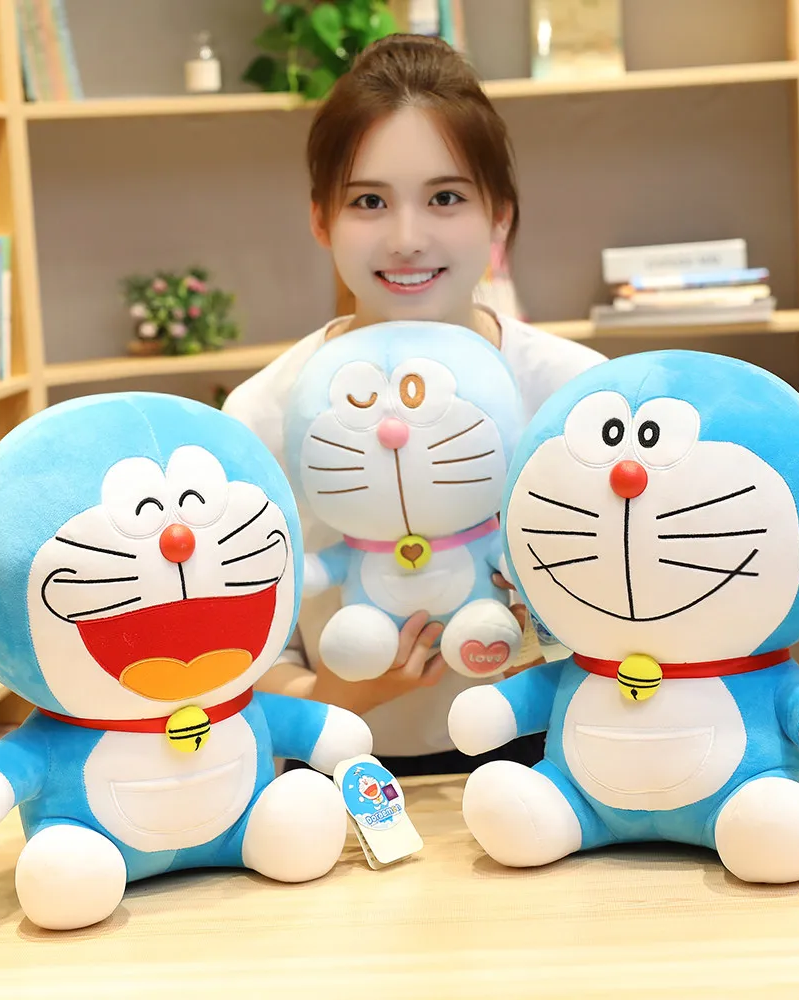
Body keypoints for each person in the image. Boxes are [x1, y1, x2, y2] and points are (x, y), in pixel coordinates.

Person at [224, 33, 605, 776]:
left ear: (499, 216)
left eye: (445, 198)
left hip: (561, 762)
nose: (407, 238)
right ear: (320, 219)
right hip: (343, 766)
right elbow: (243, 657)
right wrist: (337, 696)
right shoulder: (266, 412)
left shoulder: (575, 395)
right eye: (368, 201)